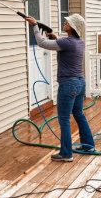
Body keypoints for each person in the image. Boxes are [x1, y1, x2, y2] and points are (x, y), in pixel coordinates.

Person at [24, 13, 95, 162]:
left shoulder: (67, 43)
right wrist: (56, 38)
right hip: (80, 83)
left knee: (64, 119)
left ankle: (66, 154)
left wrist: (35, 26)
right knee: (79, 114)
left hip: (68, 85)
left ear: (73, 27)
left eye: (67, 22)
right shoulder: (79, 42)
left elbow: (42, 43)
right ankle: (89, 145)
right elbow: (65, 45)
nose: (65, 23)